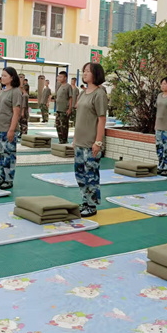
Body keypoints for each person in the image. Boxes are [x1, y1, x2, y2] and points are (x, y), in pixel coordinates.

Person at [74, 62, 108, 217]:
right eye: (84, 71)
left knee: (91, 175)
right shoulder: (83, 93)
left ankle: (92, 205)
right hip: (80, 142)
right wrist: (75, 138)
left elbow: (102, 119)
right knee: (80, 174)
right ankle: (85, 201)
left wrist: (98, 142)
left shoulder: (99, 94)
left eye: (88, 71)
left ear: (96, 74)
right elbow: (79, 117)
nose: (85, 73)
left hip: (91, 143)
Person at [0, 67, 22, 189]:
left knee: (9, 155)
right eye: (2, 75)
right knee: (0, 154)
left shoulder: (15, 92)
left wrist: (11, 129)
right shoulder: (2, 91)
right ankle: (2, 176)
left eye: (5, 76)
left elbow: (16, 112)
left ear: (12, 77)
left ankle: (9, 179)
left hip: (8, 129)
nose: (2, 77)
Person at [55, 71, 73, 144]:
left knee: (64, 126)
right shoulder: (59, 86)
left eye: (61, 77)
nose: (59, 78)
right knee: (58, 125)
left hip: (64, 109)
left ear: (65, 78)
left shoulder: (68, 86)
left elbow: (70, 98)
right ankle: (60, 139)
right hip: (58, 109)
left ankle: (64, 140)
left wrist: (69, 109)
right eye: (58, 76)